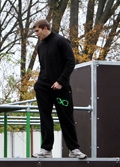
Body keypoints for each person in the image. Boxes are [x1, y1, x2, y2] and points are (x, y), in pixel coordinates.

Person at [31, 19, 87, 159]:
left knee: (66, 118)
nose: (36, 34)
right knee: (45, 117)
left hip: (61, 88)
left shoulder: (61, 41)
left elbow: (70, 62)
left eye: (37, 31)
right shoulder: (41, 46)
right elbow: (44, 67)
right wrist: (38, 84)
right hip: (44, 88)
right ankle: (46, 149)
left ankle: (74, 149)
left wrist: (60, 81)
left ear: (45, 28)